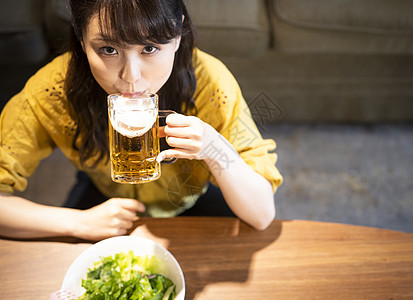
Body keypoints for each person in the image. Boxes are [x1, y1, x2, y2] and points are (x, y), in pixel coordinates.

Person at [0, 0, 282, 241]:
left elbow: (261, 214)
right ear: (81, 38)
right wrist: (79, 222)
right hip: (104, 195)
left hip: (187, 198)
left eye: (149, 48)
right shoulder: (55, 88)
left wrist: (214, 149)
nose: (130, 77)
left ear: (178, 35)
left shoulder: (209, 83)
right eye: (108, 50)